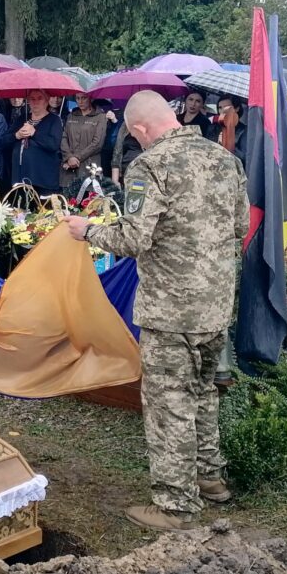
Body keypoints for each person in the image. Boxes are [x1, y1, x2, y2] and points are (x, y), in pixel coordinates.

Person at [66, 90, 247, 533]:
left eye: (135, 134)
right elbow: (241, 225)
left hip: (171, 309)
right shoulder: (223, 158)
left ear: (141, 129)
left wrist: (86, 229)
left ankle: (175, 506)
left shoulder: (149, 165)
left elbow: (133, 239)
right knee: (204, 392)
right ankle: (210, 478)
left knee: (169, 404)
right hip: (216, 304)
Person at [5, 89, 63, 197]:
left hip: (42, 178)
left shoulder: (54, 120)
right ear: (28, 101)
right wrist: (17, 135)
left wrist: (34, 132)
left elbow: (53, 145)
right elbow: (5, 140)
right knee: (22, 211)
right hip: (21, 177)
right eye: (32, 99)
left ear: (47, 100)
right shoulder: (22, 118)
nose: (35, 102)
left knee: (43, 212)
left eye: (40, 98)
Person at [59, 92, 107, 187]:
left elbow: (97, 143)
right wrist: (69, 157)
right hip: (69, 167)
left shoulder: (100, 116)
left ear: (90, 98)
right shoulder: (71, 115)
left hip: (90, 165)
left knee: (88, 199)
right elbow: (64, 137)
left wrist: (76, 157)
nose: (80, 101)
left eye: (83, 98)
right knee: (67, 199)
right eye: (77, 98)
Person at [208, 95, 246, 164]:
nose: (223, 110)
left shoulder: (243, 130)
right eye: (220, 108)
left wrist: (228, 144)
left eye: (226, 107)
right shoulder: (212, 127)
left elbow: (244, 158)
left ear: (236, 108)